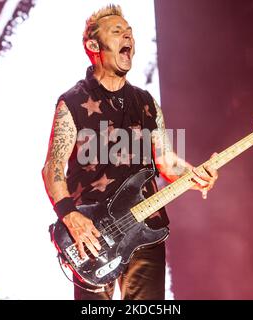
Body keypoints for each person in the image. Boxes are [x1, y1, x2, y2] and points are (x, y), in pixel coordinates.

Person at [41, 4, 218, 300]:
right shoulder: (71, 102)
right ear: (94, 45)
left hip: (147, 227)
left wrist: (195, 174)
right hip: (94, 234)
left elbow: (168, 163)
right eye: (118, 31)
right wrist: (71, 217)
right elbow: (53, 169)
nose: (128, 38)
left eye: (130, 33)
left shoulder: (146, 102)